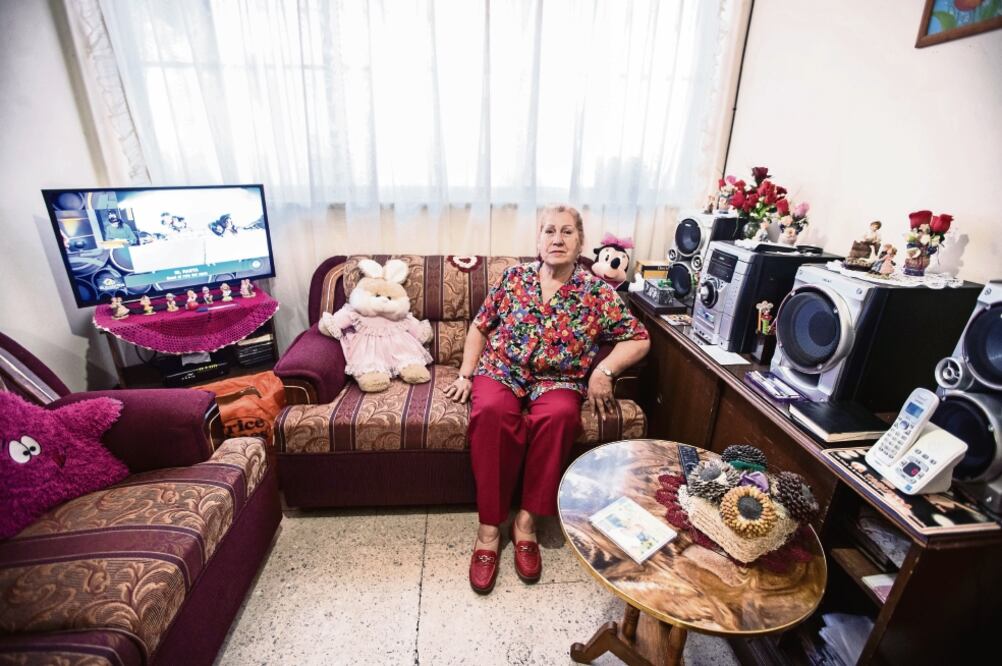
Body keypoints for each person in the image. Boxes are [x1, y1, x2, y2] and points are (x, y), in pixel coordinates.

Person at [444, 205, 650, 594]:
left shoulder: (596, 292)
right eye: (549, 231)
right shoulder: (513, 278)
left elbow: (638, 337)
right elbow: (480, 327)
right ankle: (489, 529)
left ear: (580, 242)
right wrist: (466, 374)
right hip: (502, 370)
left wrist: (604, 372)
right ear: (538, 240)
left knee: (558, 418)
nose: (557, 239)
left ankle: (526, 523)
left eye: (567, 232)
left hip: (559, 379)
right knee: (489, 411)